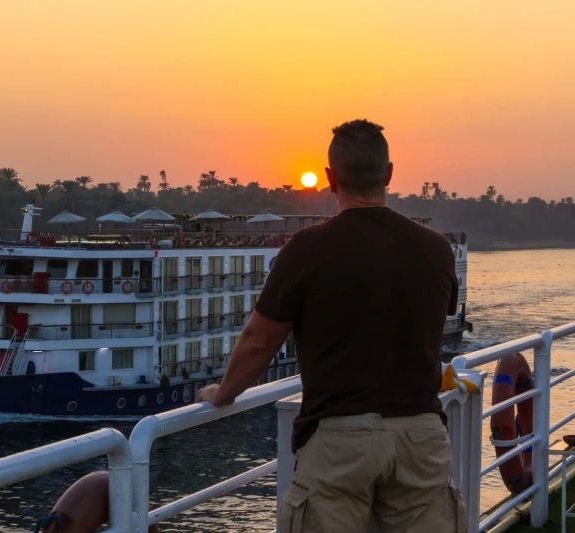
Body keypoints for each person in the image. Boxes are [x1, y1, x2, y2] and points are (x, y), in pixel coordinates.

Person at [196, 119, 468, 532]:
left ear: (330, 178)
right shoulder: (436, 248)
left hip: (340, 439)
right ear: (389, 174)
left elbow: (259, 341)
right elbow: (437, 316)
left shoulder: (307, 249)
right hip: (420, 435)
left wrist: (223, 393)